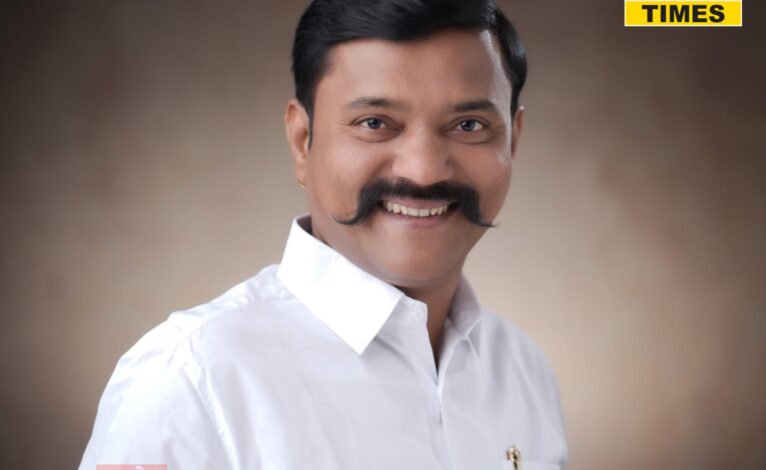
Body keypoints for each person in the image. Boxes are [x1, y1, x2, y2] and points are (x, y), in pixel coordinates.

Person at [79, 1, 568, 469]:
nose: (423, 170)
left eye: (468, 125)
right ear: (302, 140)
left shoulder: (524, 373)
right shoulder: (187, 381)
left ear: (513, 140)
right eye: (374, 123)